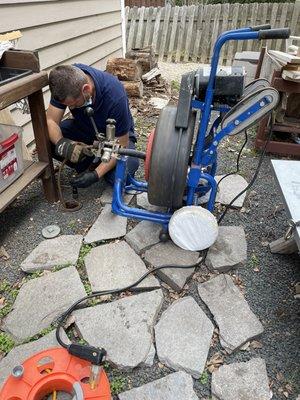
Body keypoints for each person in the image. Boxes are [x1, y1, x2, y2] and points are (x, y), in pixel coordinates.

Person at [46, 64, 139, 188]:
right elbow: (51, 121)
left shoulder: (115, 95)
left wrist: (95, 175)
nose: (71, 108)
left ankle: (98, 168)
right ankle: (90, 162)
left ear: (86, 89)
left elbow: (121, 144)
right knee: (47, 140)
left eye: (74, 104)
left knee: (122, 178)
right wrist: (64, 144)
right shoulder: (65, 82)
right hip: (86, 130)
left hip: (116, 138)